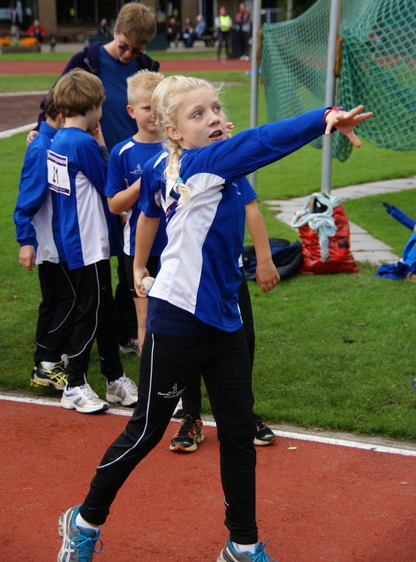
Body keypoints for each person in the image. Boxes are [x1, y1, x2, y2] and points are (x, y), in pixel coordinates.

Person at [55, 74, 371, 561]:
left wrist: (141, 264)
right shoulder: (202, 163)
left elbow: (152, 211)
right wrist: (324, 117)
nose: (216, 118)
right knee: (145, 432)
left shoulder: (179, 163)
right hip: (178, 320)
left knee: (238, 434)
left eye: (217, 108)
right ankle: (85, 520)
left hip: (224, 319)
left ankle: (242, 545)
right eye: (198, 114)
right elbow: (258, 142)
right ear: (174, 131)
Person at [28, 1, 160, 353]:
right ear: (114, 31)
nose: (129, 53)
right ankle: (97, 335)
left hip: (135, 165)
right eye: (124, 44)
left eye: (137, 49)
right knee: (101, 251)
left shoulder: (147, 68)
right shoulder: (87, 60)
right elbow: (58, 100)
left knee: (134, 255)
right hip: (98, 169)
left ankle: (127, 330)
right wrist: (42, 133)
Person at [48, 69, 138, 414]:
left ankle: (113, 378)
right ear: (94, 106)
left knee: (105, 309)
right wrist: (102, 147)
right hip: (87, 240)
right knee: (92, 312)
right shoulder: (81, 142)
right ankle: (74, 382)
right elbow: (108, 184)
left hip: (79, 237)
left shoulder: (60, 138)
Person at [169, 194, 279, 453]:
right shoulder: (167, 168)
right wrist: (140, 264)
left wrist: (264, 259)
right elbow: (150, 217)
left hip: (229, 270)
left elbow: (250, 207)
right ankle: (191, 415)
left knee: (245, 338)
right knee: (192, 342)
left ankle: (241, 414)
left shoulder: (227, 160)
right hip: (188, 273)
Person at [14, 89, 74, 391]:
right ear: (63, 115)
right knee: (69, 299)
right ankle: (49, 361)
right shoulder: (43, 147)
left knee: (55, 300)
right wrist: (26, 239)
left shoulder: (48, 141)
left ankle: (45, 359)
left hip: (55, 238)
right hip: (53, 241)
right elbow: (29, 196)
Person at [105, 70, 166, 353]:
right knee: (145, 322)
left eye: (159, 107)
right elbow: (114, 204)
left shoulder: (179, 144)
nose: (154, 114)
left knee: (175, 320)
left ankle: (178, 386)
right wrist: (144, 183)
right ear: (131, 111)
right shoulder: (122, 152)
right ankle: (151, 388)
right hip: (139, 251)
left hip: (177, 246)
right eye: (146, 108)